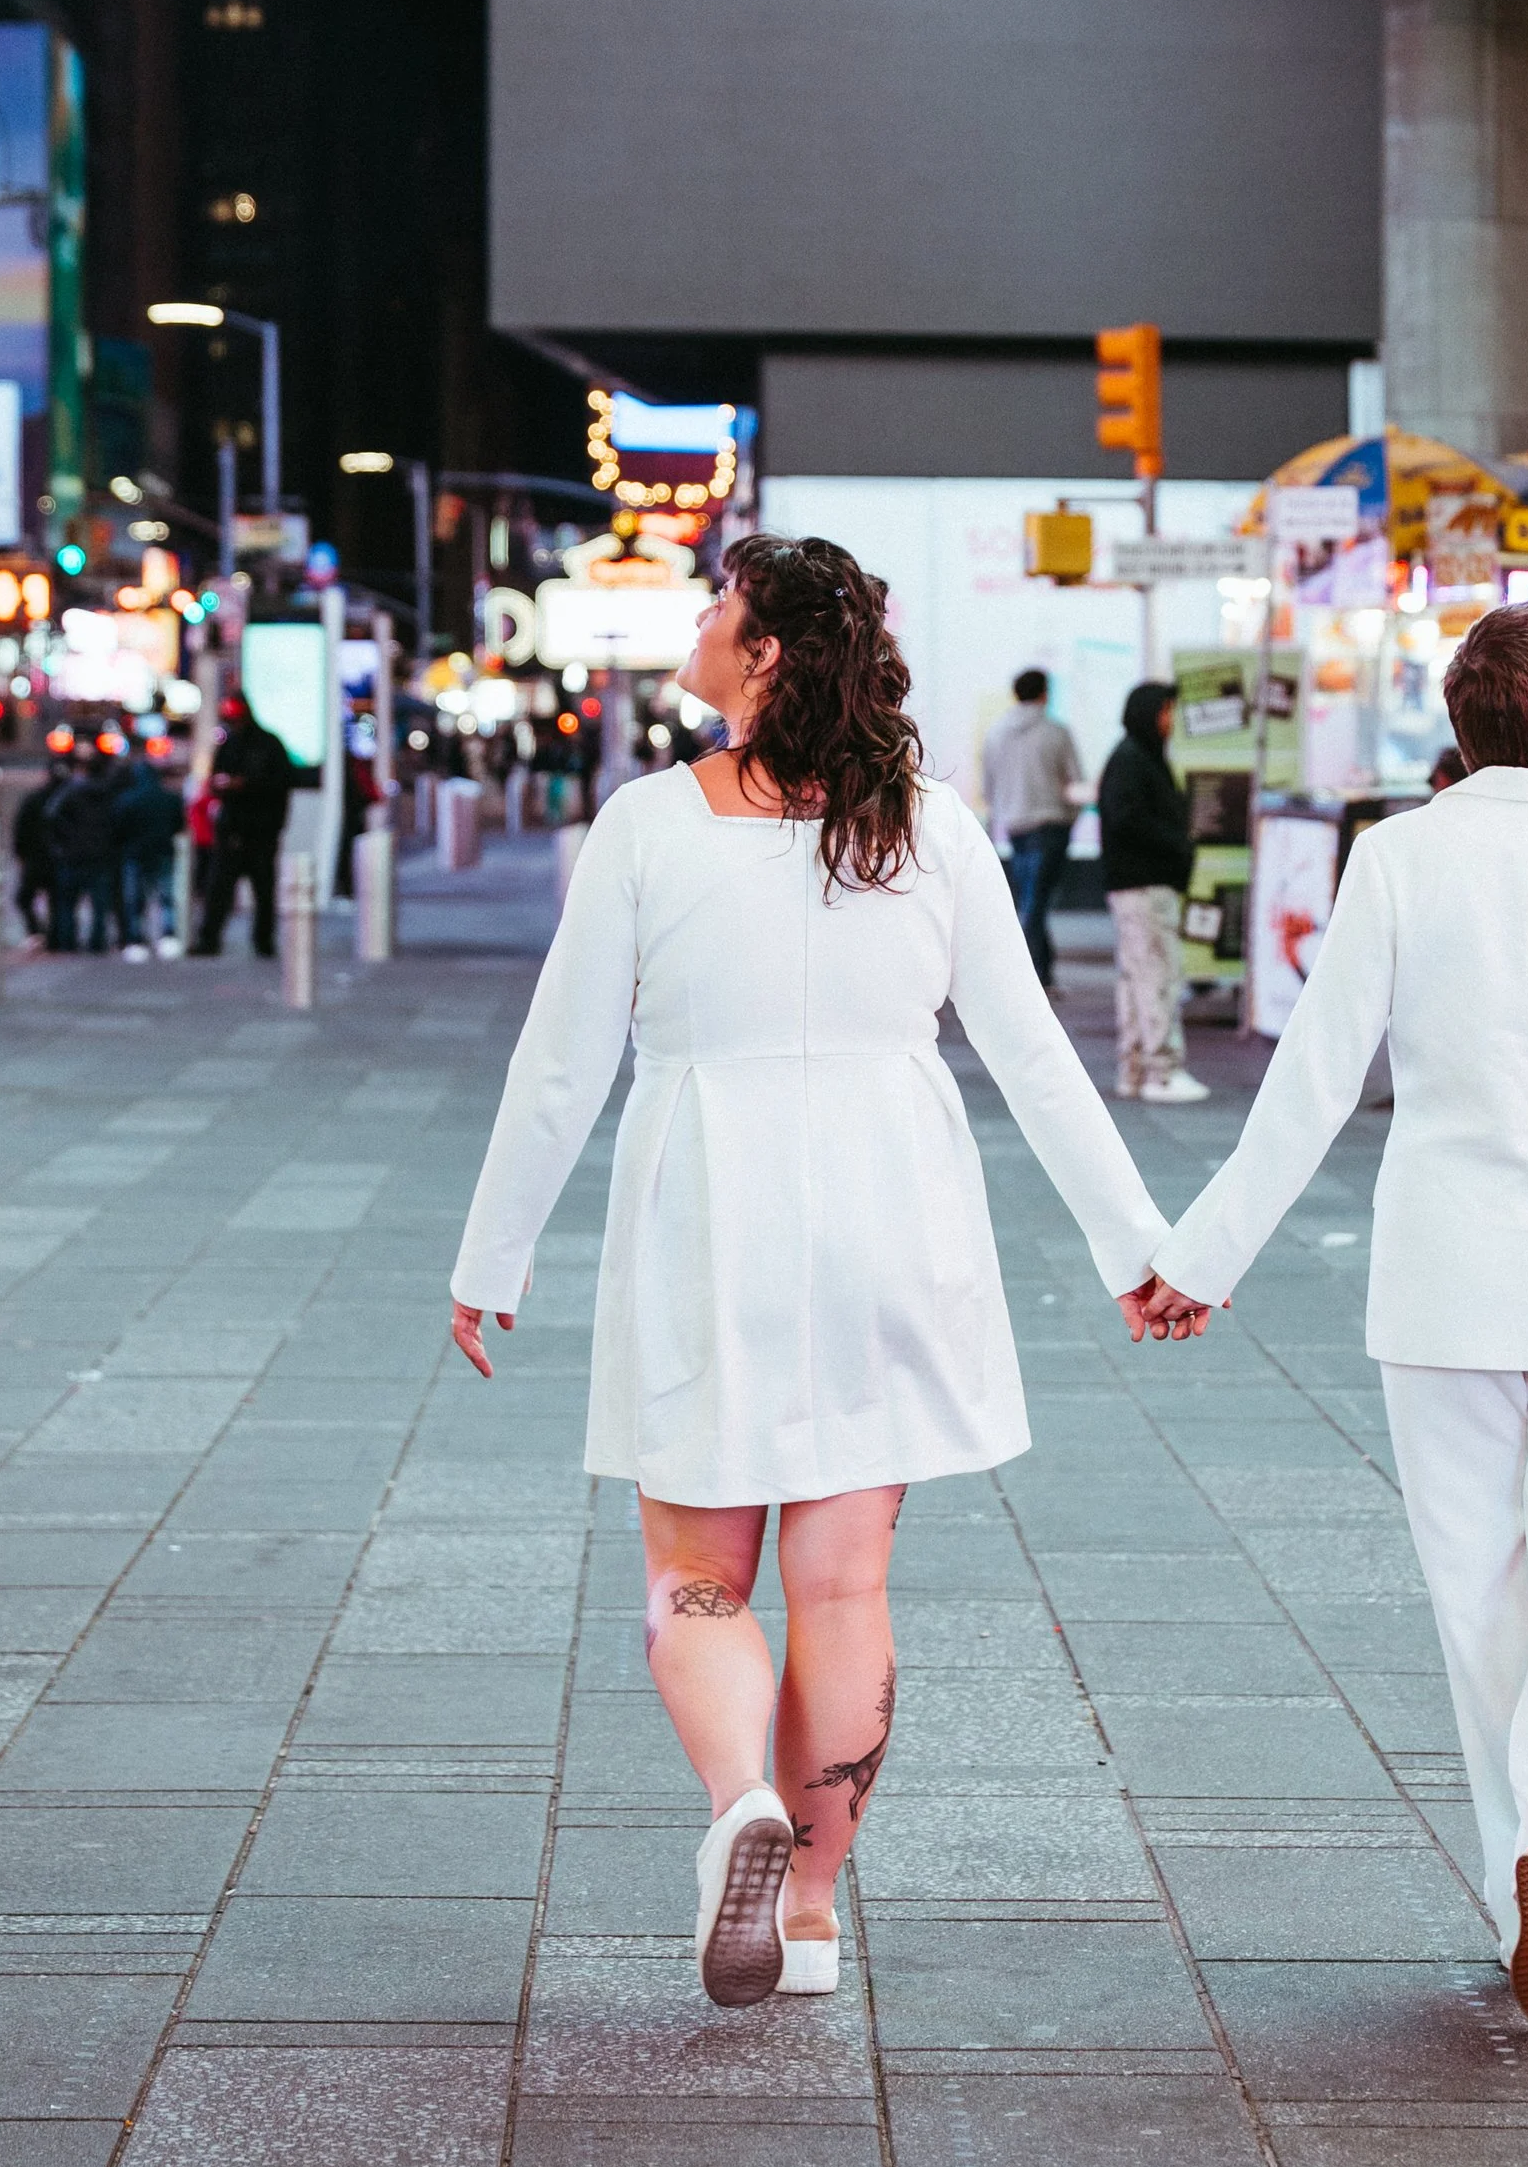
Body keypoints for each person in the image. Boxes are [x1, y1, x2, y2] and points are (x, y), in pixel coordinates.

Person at [447, 534, 1183, 2012]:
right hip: (890, 1211)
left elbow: (559, 1067)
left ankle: (740, 1801)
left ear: (765, 652)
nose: (702, 620)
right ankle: (816, 1915)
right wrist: (1137, 1247)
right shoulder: (931, 826)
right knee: (844, 1589)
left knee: (697, 1577)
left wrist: (492, 1255)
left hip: (707, 1211)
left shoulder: (648, 826)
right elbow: (1032, 1054)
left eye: (719, 604)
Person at [1136, 598, 1528, 2035]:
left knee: (1480, 1587)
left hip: (1440, 1280)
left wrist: (1204, 1255)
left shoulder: (1401, 857)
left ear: (1460, 723)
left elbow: (1312, 1078)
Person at [1095, 679, 1207, 1105]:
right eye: (1166, 711)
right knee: (1157, 977)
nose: (1171, 721)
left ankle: (1137, 1070)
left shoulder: (1133, 758)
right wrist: (1178, 844)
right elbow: (1130, 819)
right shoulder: (1135, 761)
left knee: (1137, 979)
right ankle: (1162, 1072)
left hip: (1134, 885)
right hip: (1144, 886)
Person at [981, 667, 1084, 987]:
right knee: (1035, 903)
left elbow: (988, 788)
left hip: (1015, 827)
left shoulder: (995, 733)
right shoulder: (1057, 732)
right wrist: (1070, 816)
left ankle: (1042, 972)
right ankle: (1030, 977)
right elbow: (1076, 783)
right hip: (1051, 825)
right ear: (1044, 694)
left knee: (1031, 899)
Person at [192, 696, 296, 958]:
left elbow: (279, 783)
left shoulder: (267, 745)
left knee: (262, 890)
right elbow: (214, 780)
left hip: (260, 830)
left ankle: (263, 941)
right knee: (220, 888)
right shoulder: (229, 745)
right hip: (233, 830)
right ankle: (210, 939)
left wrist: (245, 785)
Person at [44, 746, 122, 954]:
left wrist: (62, 842)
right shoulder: (108, 793)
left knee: (67, 905)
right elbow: (118, 821)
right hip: (99, 855)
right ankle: (97, 943)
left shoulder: (70, 792)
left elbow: (51, 814)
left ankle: (67, 943)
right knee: (99, 906)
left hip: (73, 855)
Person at [110, 746, 185, 961]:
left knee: (135, 900)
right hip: (163, 852)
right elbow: (178, 824)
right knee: (166, 898)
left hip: (135, 854)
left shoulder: (128, 799)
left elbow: (118, 828)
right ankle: (168, 937)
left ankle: (136, 940)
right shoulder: (169, 798)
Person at [12, 756, 70, 942]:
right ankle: (55, 939)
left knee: (25, 898)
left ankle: (37, 933)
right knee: (58, 902)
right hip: (59, 858)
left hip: (37, 858)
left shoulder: (35, 799)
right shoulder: (71, 799)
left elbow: (21, 829)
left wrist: (20, 854)